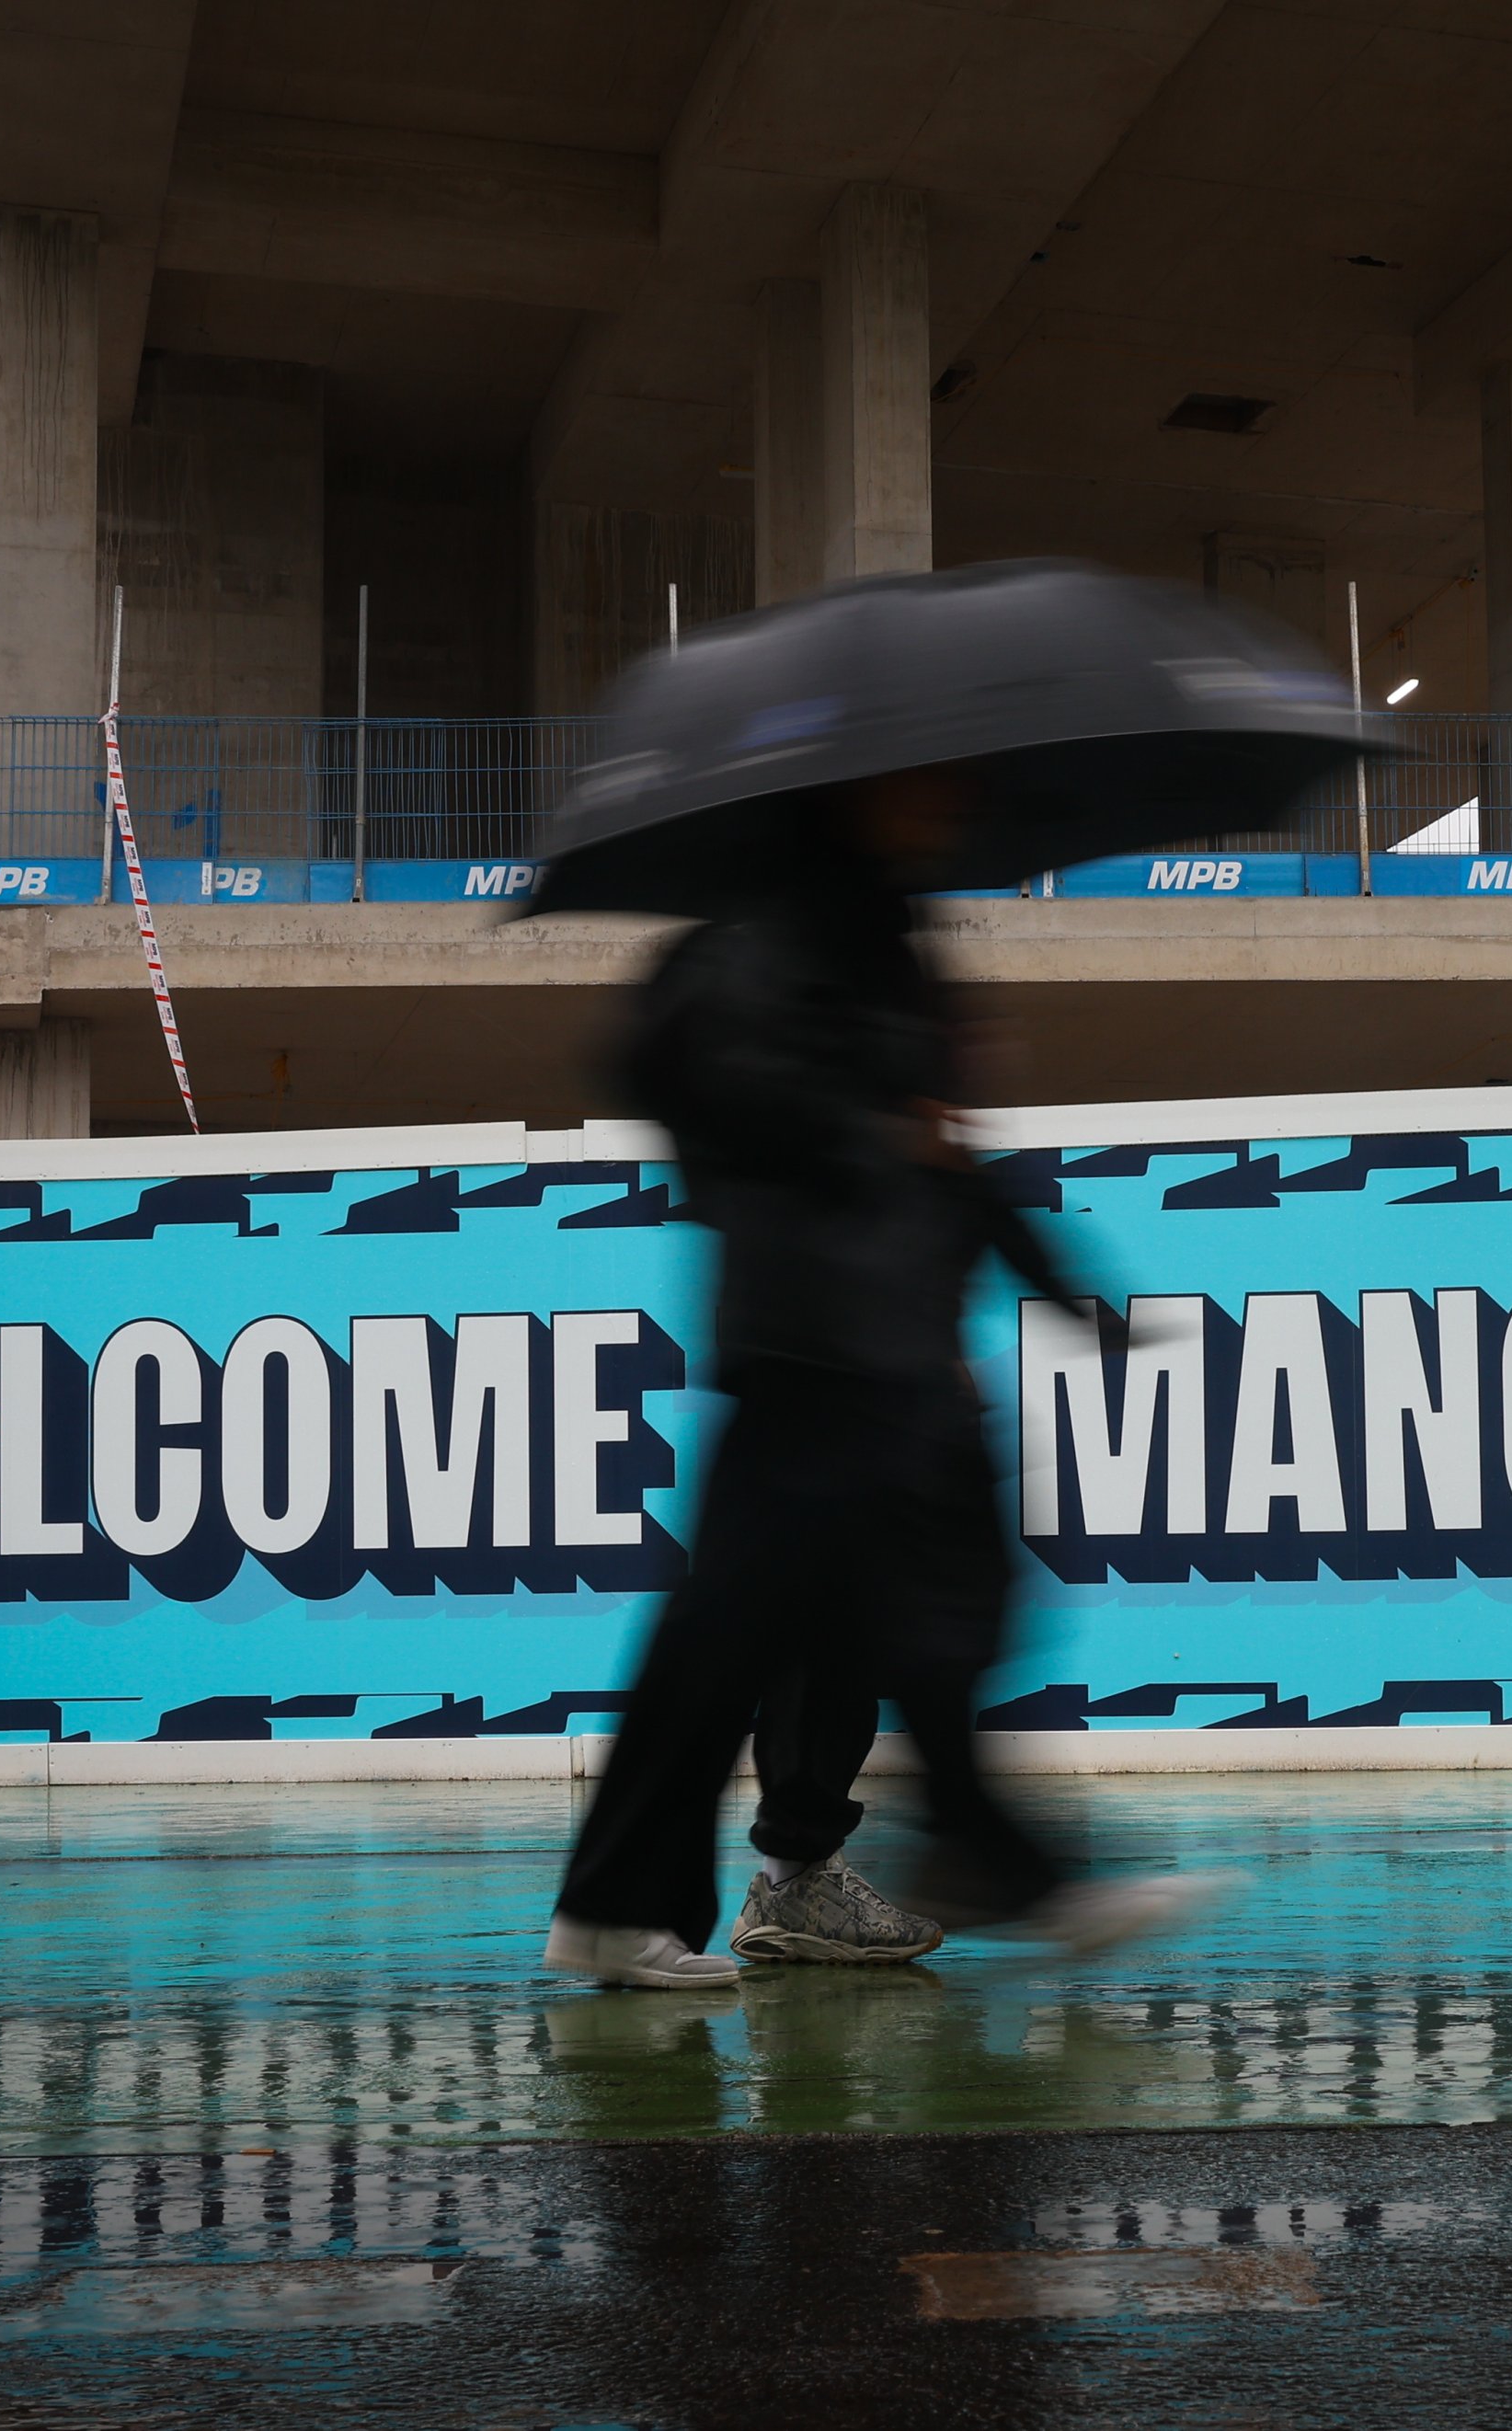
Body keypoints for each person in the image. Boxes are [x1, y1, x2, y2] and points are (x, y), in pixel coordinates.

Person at [542, 764, 1208, 1988]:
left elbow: (945, 1152)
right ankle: (975, 1865)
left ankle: (932, 1863)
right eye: (920, 790)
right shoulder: (775, 929)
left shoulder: (878, 924)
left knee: (875, 1616)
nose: (946, 807)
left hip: (879, 1335)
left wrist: (1064, 1292)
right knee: (797, 1624)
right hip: (821, 1334)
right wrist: (870, 1125)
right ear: (856, 792)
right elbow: (697, 1076)